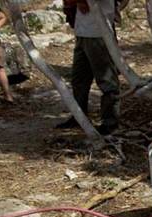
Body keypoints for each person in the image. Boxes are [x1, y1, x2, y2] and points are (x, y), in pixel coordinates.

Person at [57, 0, 120, 135]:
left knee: (107, 82)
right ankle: (79, 117)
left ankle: (110, 123)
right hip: (83, 32)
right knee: (78, 80)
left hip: (99, 33)